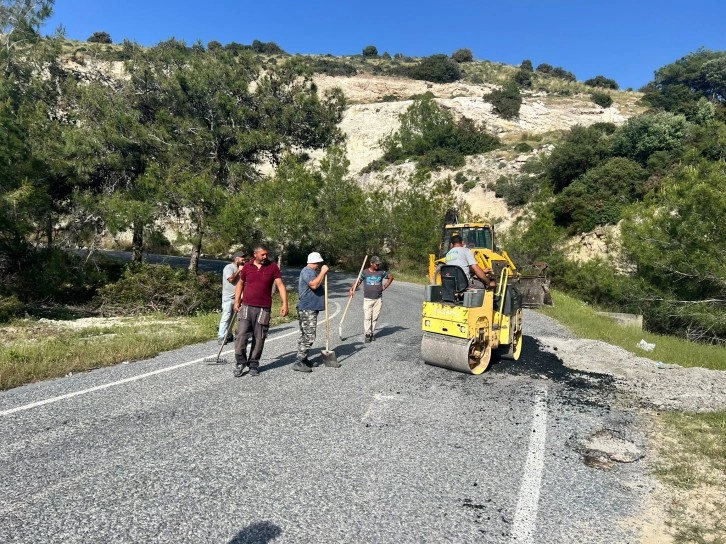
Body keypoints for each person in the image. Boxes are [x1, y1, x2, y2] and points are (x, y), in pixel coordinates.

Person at [233, 244, 289, 377]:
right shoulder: (247, 266)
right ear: (255, 254)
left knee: (259, 338)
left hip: (264, 308)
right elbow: (240, 284)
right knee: (241, 335)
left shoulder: (273, 266)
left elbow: (280, 285)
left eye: (266, 254)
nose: (265, 257)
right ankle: (240, 362)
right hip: (246, 306)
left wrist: (285, 304)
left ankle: (253, 364)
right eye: (262, 254)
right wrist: (236, 302)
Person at [292, 251, 339, 373]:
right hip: (307, 308)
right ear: (315, 262)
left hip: (310, 308)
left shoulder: (311, 272)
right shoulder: (307, 271)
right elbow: (313, 285)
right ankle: (299, 361)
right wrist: (323, 272)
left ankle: (303, 358)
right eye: (319, 263)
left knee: (305, 335)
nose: (319, 265)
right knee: (309, 335)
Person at [348, 256, 393, 343]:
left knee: (375, 317)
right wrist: (352, 289)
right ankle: (367, 334)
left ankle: (372, 333)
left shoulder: (381, 272)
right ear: (371, 263)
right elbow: (358, 281)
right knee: (368, 317)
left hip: (378, 299)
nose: (378, 265)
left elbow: (391, 277)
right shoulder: (364, 272)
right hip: (367, 299)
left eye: (379, 264)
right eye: (376, 264)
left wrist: (384, 287)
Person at [218, 251, 246, 345]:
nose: (244, 260)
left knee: (232, 319)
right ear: (236, 259)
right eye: (242, 258)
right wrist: (239, 270)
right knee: (226, 317)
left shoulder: (243, 269)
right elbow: (230, 279)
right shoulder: (229, 267)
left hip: (237, 298)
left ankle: (228, 335)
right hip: (228, 297)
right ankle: (221, 336)